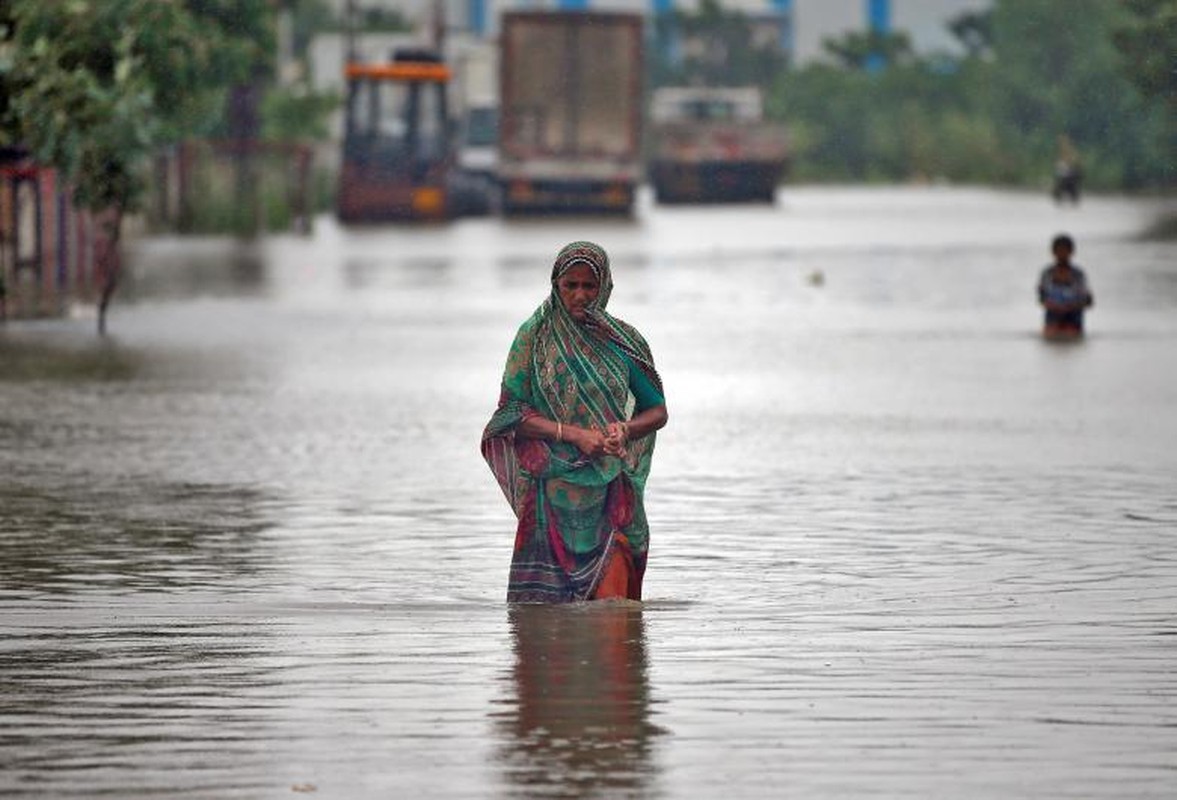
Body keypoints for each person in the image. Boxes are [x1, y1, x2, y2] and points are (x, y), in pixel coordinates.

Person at [481, 241, 668, 603]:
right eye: (571, 285)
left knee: (616, 619)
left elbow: (657, 411)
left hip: (611, 493)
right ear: (556, 285)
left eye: (589, 286)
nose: (580, 295)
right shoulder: (533, 340)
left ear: (606, 287)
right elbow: (508, 416)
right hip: (550, 499)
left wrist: (624, 430)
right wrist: (574, 435)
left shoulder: (623, 342)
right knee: (542, 639)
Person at [1038, 233, 1093, 338]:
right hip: (1052, 318)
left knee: (1072, 338)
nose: (1061, 254)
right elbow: (1041, 298)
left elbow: (1088, 300)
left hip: (1073, 318)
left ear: (1071, 252)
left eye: (1064, 251)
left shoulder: (1078, 275)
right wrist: (1053, 306)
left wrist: (1071, 307)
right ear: (1053, 252)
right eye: (1058, 251)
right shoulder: (1047, 274)